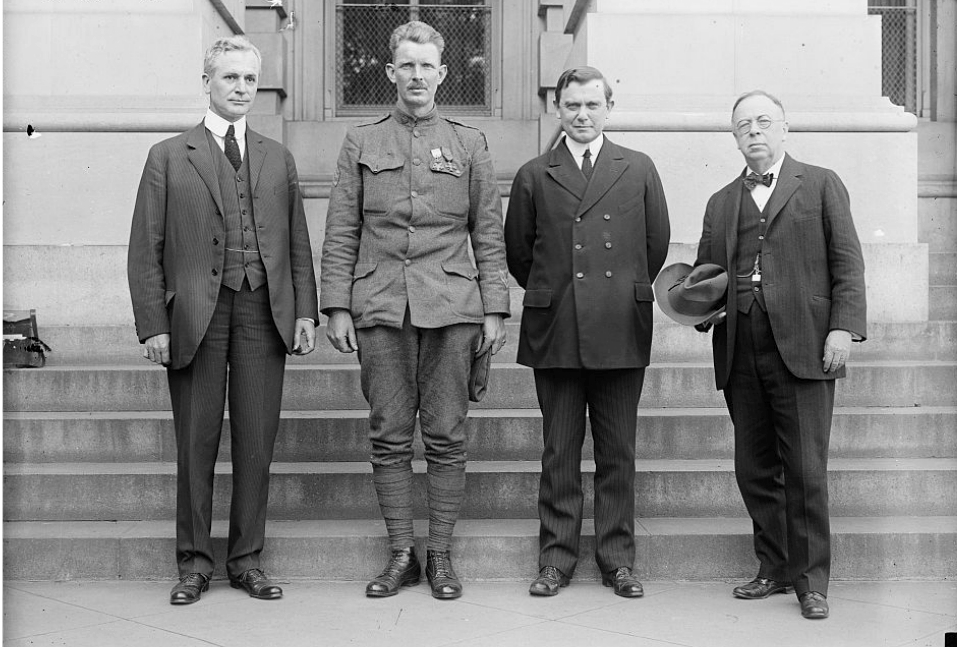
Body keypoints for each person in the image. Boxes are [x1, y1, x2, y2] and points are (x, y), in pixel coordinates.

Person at [319, 21, 510, 600]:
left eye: (427, 66)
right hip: (379, 307)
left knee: (448, 434)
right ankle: (401, 552)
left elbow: (488, 233)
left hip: (453, 307)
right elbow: (342, 229)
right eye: (407, 65)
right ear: (391, 72)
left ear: (443, 74)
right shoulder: (361, 141)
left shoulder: (468, 142)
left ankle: (441, 554)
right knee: (390, 434)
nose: (417, 76)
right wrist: (336, 306)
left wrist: (495, 308)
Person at [128, 36, 319, 605]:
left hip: (264, 310)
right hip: (194, 315)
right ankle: (193, 563)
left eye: (249, 80)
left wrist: (305, 310)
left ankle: (246, 560)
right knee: (196, 441)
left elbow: (297, 244)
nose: (241, 88)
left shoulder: (275, 156)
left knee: (256, 442)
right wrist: (152, 324)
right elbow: (146, 247)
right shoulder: (168, 156)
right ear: (207, 81)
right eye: (230, 78)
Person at [693, 90, 866, 620]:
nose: (754, 132)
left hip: (806, 345)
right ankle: (773, 567)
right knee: (754, 466)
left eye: (764, 122)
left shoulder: (820, 183)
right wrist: (698, 309)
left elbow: (847, 262)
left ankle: (811, 582)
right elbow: (706, 279)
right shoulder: (721, 201)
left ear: (785, 128)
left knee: (807, 470)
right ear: (734, 136)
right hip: (742, 350)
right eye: (743, 125)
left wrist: (843, 329)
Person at [504, 66, 670, 598]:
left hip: (620, 325)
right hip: (557, 328)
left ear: (609, 108)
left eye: (592, 105)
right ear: (558, 109)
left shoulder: (638, 168)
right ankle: (556, 559)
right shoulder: (534, 173)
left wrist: (614, 291)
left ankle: (618, 560)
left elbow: (655, 245)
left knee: (618, 451)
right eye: (572, 106)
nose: (581, 115)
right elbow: (519, 254)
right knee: (559, 451)